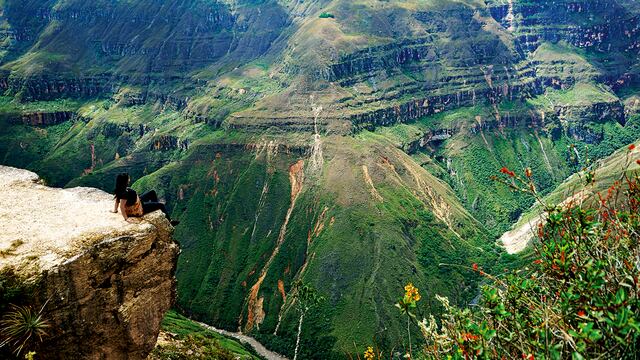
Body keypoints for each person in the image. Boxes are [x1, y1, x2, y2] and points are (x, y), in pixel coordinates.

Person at [112, 173, 179, 226]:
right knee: (161, 205)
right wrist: (126, 219)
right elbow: (121, 206)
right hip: (138, 209)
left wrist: (115, 210)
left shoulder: (120, 189)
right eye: (128, 178)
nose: (129, 179)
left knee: (152, 192)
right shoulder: (125, 193)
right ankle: (170, 221)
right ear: (125, 181)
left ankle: (155, 208)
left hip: (137, 203)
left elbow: (117, 201)